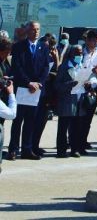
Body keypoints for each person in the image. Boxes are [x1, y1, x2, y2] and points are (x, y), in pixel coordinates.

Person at [7, 21, 51, 161]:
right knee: (18, 120)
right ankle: (13, 149)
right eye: (33, 29)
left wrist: (38, 83)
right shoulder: (19, 46)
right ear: (27, 30)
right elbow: (17, 67)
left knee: (31, 121)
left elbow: (46, 67)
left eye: (38, 29)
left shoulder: (43, 47)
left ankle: (27, 149)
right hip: (22, 88)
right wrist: (28, 82)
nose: (35, 32)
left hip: (36, 90)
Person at [77, 29, 97, 153]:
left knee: (87, 120)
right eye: (93, 40)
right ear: (87, 40)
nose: (95, 43)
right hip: (78, 88)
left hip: (91, 90)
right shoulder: (80, 52)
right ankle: (74, 143)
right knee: (77, 119)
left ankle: (83, 143)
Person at [54, 44, 85, 158]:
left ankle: (74, 149)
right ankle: (61, 150)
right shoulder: (64, 66)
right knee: (63, 127)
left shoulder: (82, 66)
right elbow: (57, 85)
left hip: (79, 100)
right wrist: (70, 84)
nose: (79, 55)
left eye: (81, 53)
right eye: (77, 53)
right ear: (71, 53)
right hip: (67, 101)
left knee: (76, 127)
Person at [0, 41, 15, 173]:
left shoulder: (5, 62)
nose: (8, 54)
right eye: (7, 51)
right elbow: (12, 114)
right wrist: (5, 85)